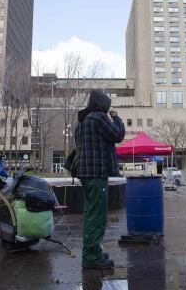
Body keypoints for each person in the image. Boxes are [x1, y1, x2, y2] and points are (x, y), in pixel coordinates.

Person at [74, 89, 125, 270]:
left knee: (91, 214)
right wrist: (117, 118)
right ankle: (91, 257)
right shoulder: (99, 118)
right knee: (97, 216)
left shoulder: (82, 122)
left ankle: (92, 252)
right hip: (96, 174)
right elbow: (118, 135)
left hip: (85, 173)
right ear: (102, 104)